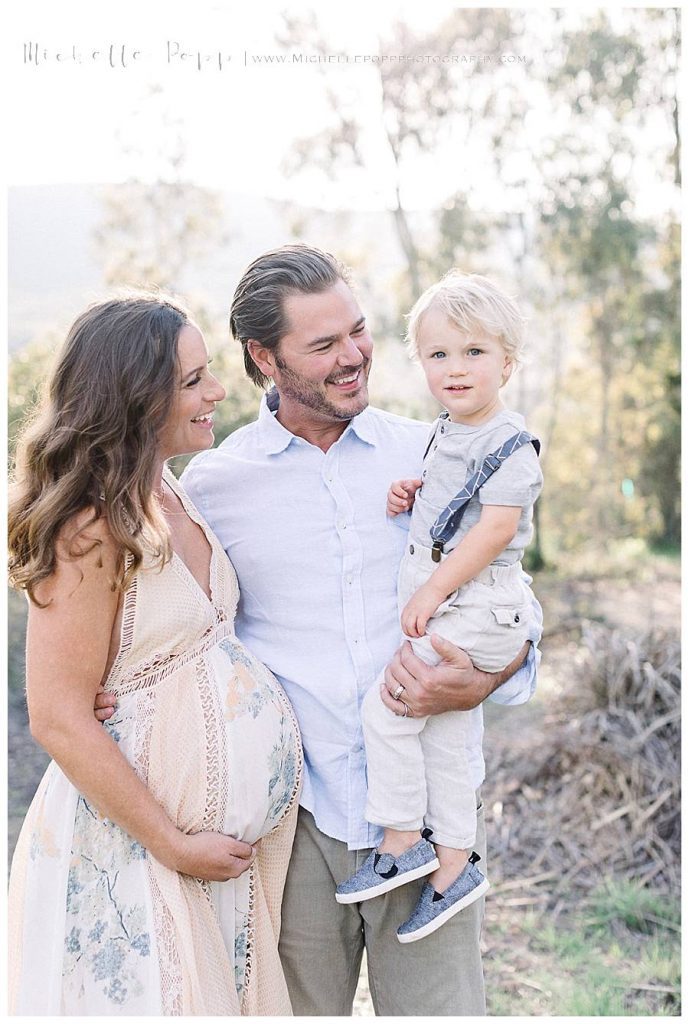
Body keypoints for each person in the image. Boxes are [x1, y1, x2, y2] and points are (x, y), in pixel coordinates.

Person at [96, 245, 542, 1016]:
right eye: (323, 345)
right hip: (291, 826)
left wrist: (489, 675)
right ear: (263, 357)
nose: (354, 357)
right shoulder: (215, 486)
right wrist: (127, 700)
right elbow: (186, 635)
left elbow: (513, 599)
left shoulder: (431, 451)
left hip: (429, 818)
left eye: (358, 332)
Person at [8, 292, 302, 1015]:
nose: (217, 391)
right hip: (135, 852)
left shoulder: (169, 489)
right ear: (136, 397)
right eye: (193, 380)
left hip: (211, 863)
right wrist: (171, 841)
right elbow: (57, 715)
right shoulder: (86, 525)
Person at [336, 271, 543, 944]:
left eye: (474, 353)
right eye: (438, 355)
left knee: (388, 706)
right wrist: (412, 493)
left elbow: (491, 530)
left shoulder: (511, 443)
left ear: (506, 363)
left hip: (478, 605)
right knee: (446, 740)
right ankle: (454, 864)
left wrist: (431, 590)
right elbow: (454, 501)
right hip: (462, 603)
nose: (455, 370)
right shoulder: (449, 431)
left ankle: (401, 838)